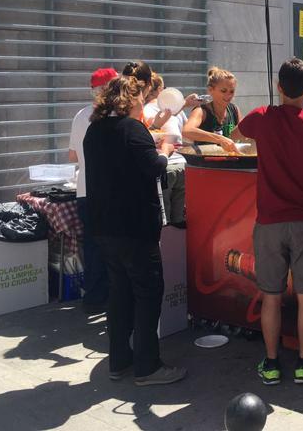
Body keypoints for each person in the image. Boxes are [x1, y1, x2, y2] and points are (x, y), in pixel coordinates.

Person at [237, 58, 303, 385]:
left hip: (269, 221)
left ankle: (270, 363)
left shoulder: (261, 117)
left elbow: (237, 134)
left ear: (279, 87)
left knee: (270, 295)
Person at [83, 75, 186, 386]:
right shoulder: (132, 128)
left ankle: (119, 360)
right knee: (148, 291)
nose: (144, 104)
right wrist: (166, 147)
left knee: (120, 292)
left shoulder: (94, 130)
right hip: (135, 225)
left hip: (104, 225)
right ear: (130, 101)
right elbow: (154, 167)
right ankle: (147, 366)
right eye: (141, 99)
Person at [68, 67, 119, 314]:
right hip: (107, 191)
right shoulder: (113, 116)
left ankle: (93, 296)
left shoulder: (80, 115)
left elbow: (72, 155)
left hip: (84, 190)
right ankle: (111, 297)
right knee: (112, 246)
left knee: (92, 244)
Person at [143, 74, 200, 227]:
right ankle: (181, 249)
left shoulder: (146, 110)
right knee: (181, 219)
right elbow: (188, 138)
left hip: (165, 166)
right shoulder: (178, 111)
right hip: (183, 164)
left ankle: (168, 250)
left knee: (165, 220)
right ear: (161, 89)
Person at [182, 67, 243, 153]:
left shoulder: (234, 110)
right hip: (205, 162)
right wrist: (219, 139)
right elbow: (187, 131)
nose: (228, 95)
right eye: (223, 91)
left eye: (231, 91)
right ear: (211, 90)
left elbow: (243, 132)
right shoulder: (201, 110)